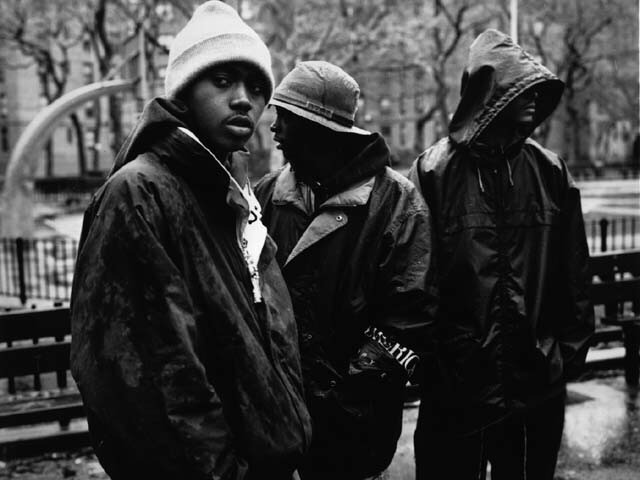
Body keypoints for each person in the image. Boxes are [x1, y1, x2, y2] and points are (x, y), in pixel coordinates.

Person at [70, 2, 311, 479]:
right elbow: (150, 382)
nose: (244, 99)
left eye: (257, 87)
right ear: (184, 91)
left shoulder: (233, 194)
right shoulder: (140, 194)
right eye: (222, 81)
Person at [409, 29, 594, 479]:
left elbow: (573, 271)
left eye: (536, 88)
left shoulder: (548, 172)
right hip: (457, 388)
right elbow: (415, 280)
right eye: (521, 88)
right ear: (491, 95)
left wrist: (564, 355)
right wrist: (436, 364)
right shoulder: (433, 173)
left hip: (535, 384)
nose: (534, 97)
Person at [255, 61, 438, 480]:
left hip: (356, 426)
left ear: (317, 127)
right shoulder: (264, 195)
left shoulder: (397, 202)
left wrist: (344, 397)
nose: (274, 128)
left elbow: (411, 317)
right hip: (280, 421)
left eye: (285, 117)